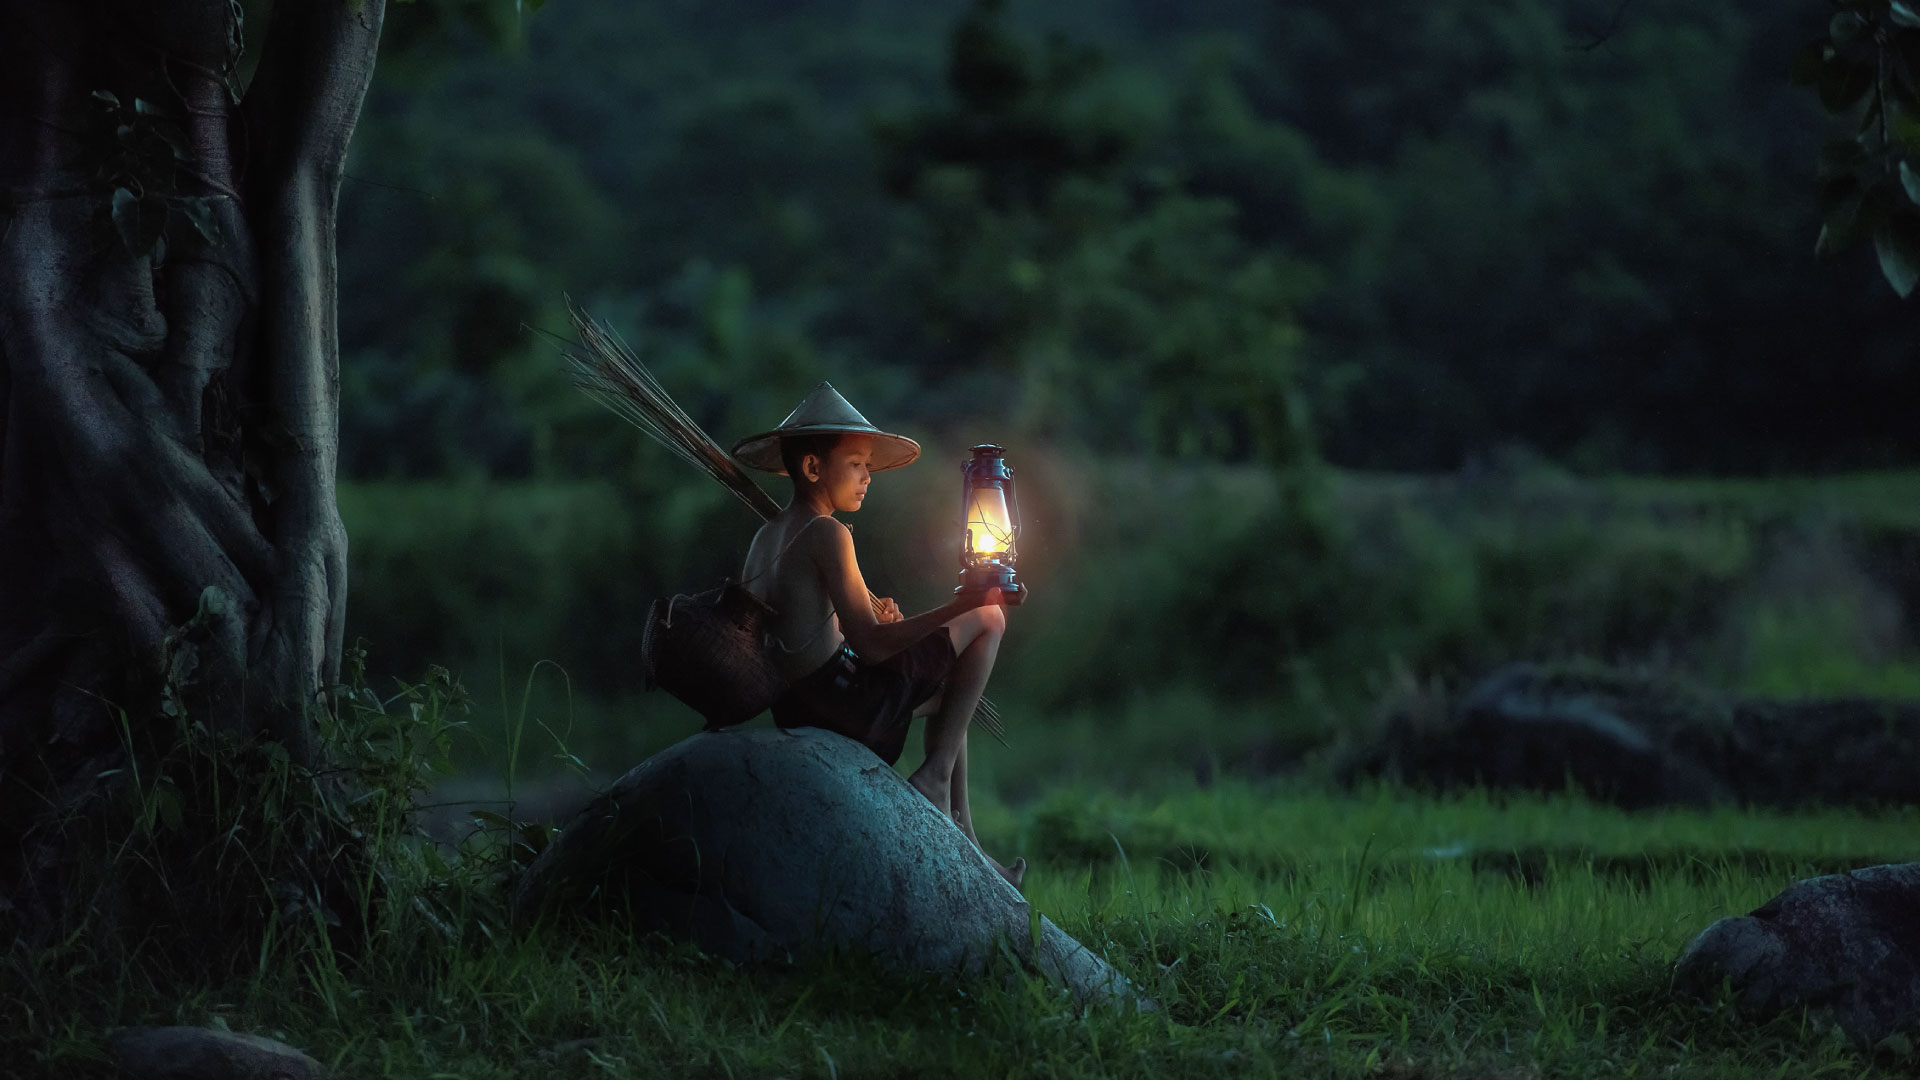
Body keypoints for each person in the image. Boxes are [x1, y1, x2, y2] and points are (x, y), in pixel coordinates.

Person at [731, 382, 1026, 888]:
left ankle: (967, 838)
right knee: (992, 617)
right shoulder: (828, 533)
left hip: (800, 704)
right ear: (812, 468)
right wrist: (961, 605)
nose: (868, 477)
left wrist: (886, 624)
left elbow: (810, 629)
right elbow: (869, 645)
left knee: (955, 693)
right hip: (844, 708)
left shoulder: (767, 537)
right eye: (857, 465)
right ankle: (933, 781)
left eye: (869, 466)